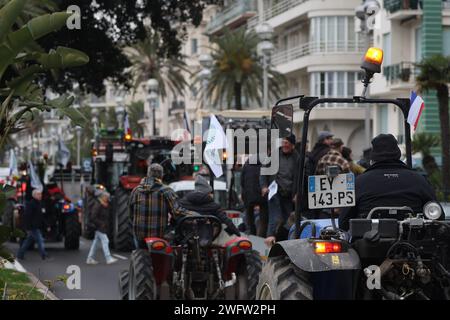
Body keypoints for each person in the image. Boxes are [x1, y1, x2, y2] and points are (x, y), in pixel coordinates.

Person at [339, 134, 437, 231]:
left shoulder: (359, 182)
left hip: (367, 242)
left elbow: (343, 223)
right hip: (414, 241)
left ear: (373, 157)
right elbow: (437, 216)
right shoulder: (418, 179)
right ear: (398, 154)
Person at [129, 163, 188, 248]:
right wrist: (193, 214)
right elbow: (177, 212)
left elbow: (131, 215)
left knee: (140, 250)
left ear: (148, 174)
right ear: (162, 176)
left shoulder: (135, 191)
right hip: (160, 235)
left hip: (140, 235)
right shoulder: (166, 191)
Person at [260, 134, 299, 247]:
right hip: (274, 191)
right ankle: (269, 245)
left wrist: (297, 193)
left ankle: (285, 244)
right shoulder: (274, 155)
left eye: (287, 143)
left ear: (292, 145)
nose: (284, 145)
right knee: (275, 218)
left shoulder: (297, 158)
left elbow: (300, 177)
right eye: (283, 142)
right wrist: (263, 186)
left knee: (288, 220)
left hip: (289, 193)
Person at [179, 175, 241, 244]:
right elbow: (226, 220)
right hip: (207, 240)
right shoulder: (213, 206)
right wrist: (237, 233)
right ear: (207, 192)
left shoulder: (183, 203)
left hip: (186, 239)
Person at [86, 191, 118, 265]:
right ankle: (108, 258)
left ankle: (89, 258)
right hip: (99, 227)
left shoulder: (105, 205)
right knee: (105, 241)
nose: (108, 198)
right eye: (106, 197)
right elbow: (93, 217)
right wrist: (101, 224)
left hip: (101, 227)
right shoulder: (98, 205)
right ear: (103, 197)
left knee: (95, 243)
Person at [17, 189, 50, 260]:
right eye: (38, 194)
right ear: (34, 195)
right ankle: (44, 255)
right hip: (32, 227)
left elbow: (41, 217)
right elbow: (27, 216)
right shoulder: (31, 204)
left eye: (40, 194)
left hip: (36, 226)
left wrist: (46, 225)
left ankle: (20, 255)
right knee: (40, 241)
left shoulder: (39, 204)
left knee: (27, 242)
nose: (40, 195)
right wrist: (28, 227)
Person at [240, 154, 268, 236]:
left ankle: (251, 235)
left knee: (249, 218)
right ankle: (261, 237)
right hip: (262, 195)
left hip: (248, 196)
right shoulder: (265, 164)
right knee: (263, 220)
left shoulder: (246, 165)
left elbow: (242, 181)